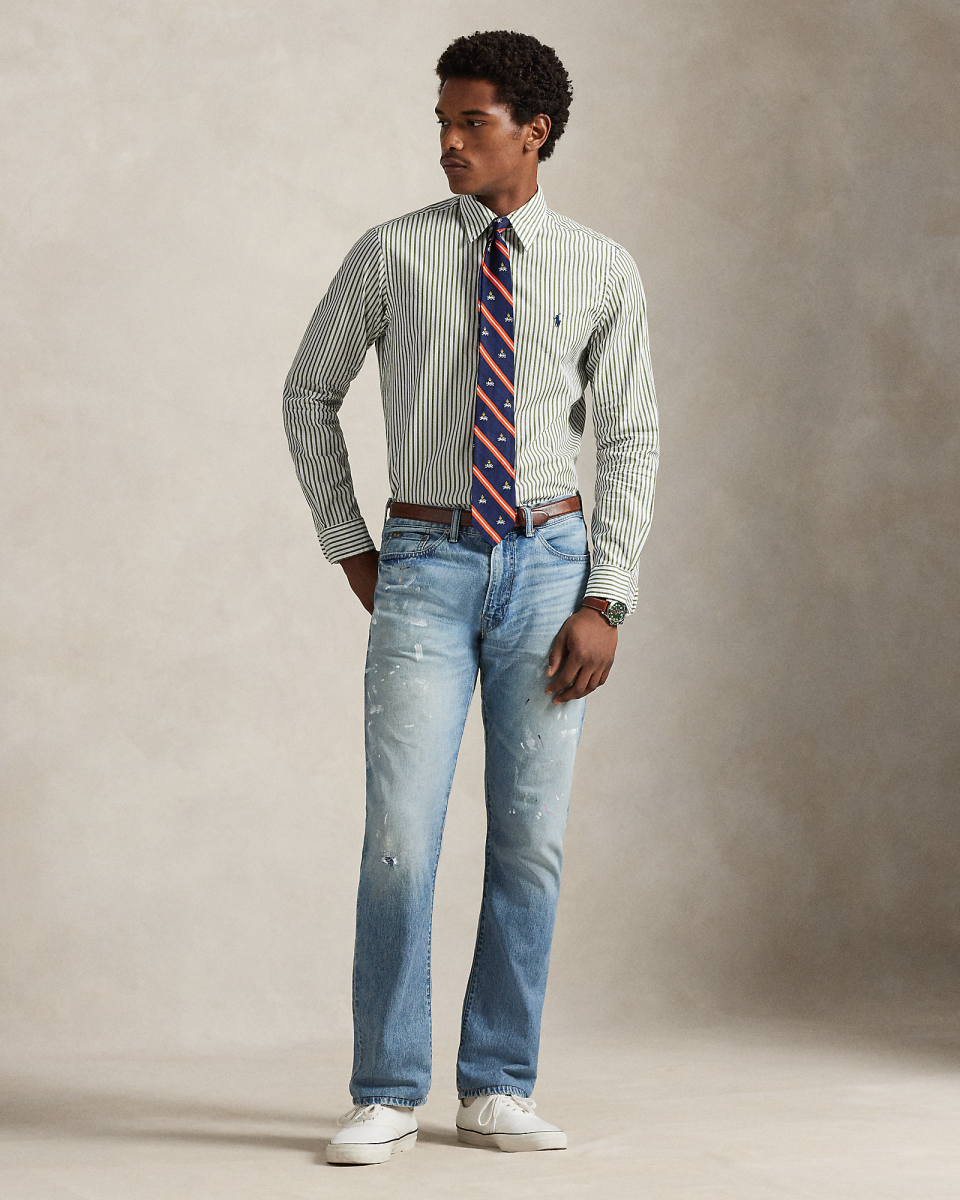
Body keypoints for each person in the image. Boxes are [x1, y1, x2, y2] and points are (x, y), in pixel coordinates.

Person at [283, 29, 658, 1165]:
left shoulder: (601, 268)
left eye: (472, 122)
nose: (447, 141)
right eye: (442, 121)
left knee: (529, 840)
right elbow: (308, 393)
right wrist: (353, 547)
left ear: (532, 131)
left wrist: (607, 598)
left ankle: (497, 1083)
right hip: (426, 562)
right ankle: (387, 1088)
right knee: (400, 834)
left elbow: (630, 436)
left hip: (549, 567)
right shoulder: (391, 254)